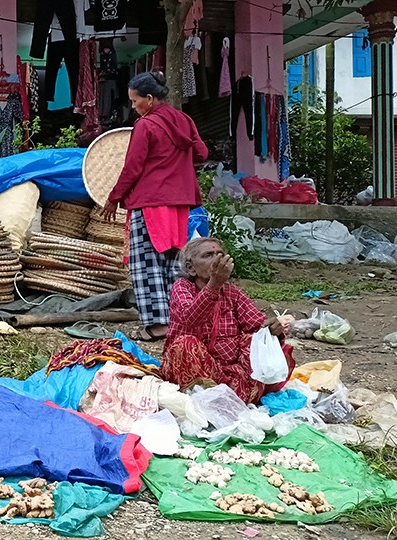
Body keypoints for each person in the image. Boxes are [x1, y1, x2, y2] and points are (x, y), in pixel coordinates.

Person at [101, 71, 209, 342]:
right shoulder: (184, 120)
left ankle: (158, 326)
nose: (133, 107)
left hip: (151, 202)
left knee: (146, 265)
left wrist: (114, 197)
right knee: (172, 263)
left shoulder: (146, 125)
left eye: (135, 101)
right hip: (180, 204)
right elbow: (201, 154)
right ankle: (178, 320)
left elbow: (133, 167)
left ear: (149, 99)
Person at [161, 237, 294, 404]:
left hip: (229, 373)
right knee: (185, 345)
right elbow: (190, 318)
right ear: (191, 268)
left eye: (220, 254)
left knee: (256, 341)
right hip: (194, 369)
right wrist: (214, 285)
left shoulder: (232, 293)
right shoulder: (182, 287)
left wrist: (273, 328)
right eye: (208, 255)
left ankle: (234, 397)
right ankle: (205, 397)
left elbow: (257, 325)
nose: (217, 259)